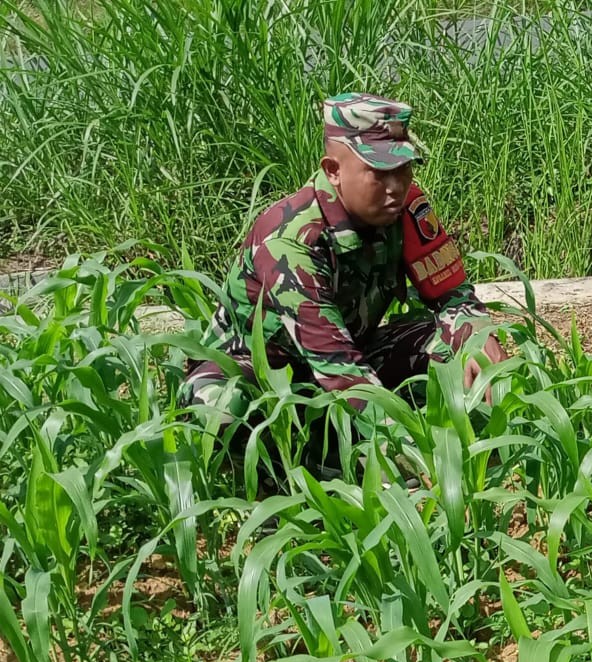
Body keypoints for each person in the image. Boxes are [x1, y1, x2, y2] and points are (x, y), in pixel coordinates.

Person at [181, 92, 506, 471]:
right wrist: (415, 457)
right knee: (220, 408)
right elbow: (340, 371)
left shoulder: (405, 209)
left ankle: (471, 446)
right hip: (266, 378)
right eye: (379, 173)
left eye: (404, 169)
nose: (396, 186)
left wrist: (476, 336)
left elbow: (454, 296)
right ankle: (280, 478)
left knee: (454, 345)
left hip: (353, 354)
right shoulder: (290, 242)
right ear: (333, 170)